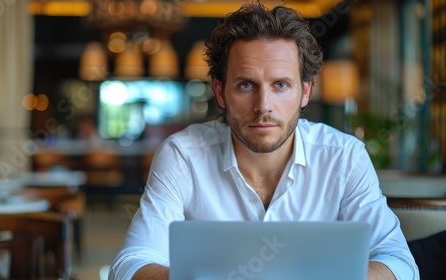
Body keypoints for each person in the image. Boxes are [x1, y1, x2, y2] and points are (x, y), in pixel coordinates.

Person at [110, 2, 419, 279]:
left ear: (305, 92)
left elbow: (400, 264)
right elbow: (130, 265)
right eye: (246, 85)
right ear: (220, 92)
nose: (264, 106)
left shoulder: (344, 157)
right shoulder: (183, 155)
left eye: (281, 85)